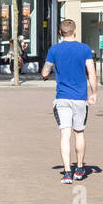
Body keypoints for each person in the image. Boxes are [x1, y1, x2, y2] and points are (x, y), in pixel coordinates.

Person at [41, 20, 97, 183]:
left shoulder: (54, 50)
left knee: (65, 134)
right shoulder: (85, 49)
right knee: (79, 133)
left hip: (62, 98)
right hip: (80, 98)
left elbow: (45, 72)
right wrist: (94, 93)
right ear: (75, 31)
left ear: (60, 33)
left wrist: (46, 74)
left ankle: (67, 172)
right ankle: (79, 168)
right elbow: (92, 73)